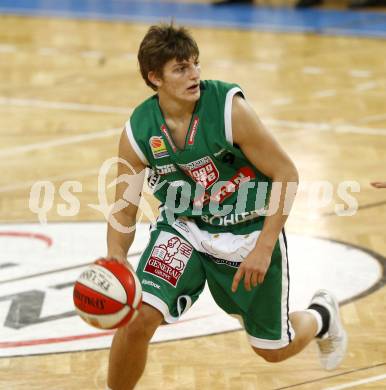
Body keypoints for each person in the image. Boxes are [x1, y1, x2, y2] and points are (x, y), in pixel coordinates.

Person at [106, 23, 347, 390]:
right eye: (181, 68)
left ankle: (321, 317)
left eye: (195, 64)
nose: (195, 74)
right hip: (184, 229)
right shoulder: (139, 131)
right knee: (138, 319)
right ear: (154, 77)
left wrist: (265, 248)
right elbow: (125, 207)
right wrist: (116, 258)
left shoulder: (229, 109)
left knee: (272, 349)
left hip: (247, 230)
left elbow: (286, 173)